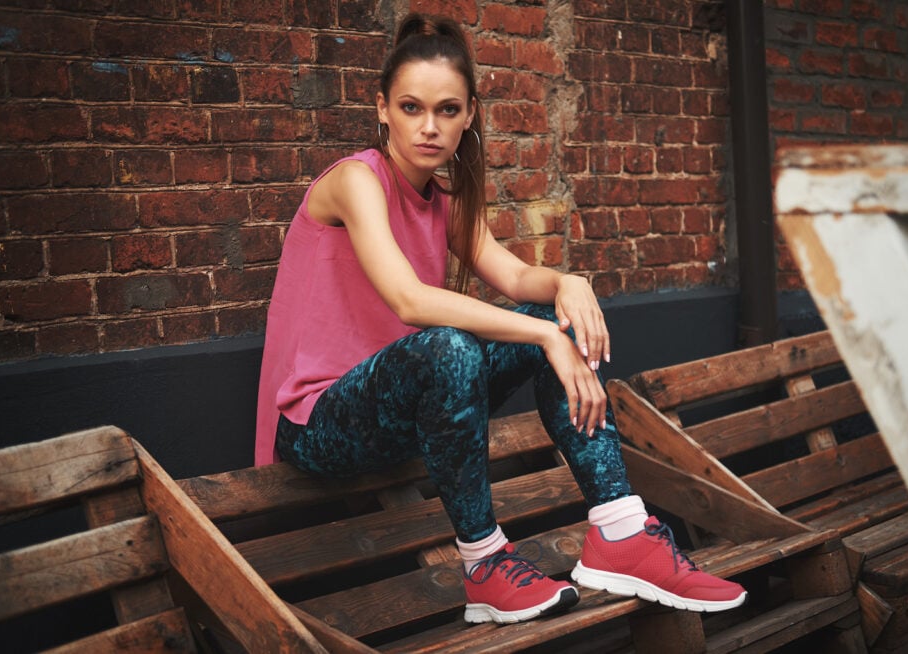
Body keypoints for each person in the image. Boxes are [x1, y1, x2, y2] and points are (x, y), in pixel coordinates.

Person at [255, 12, 746, 625]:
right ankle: (484, 565)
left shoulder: (448, 201)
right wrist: (543, 334)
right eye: (411, 108)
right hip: (317, 421)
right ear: (382, 109)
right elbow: (409, 300)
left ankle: (620, 531)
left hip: (402, 408)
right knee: (457, 345)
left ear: (469, 116)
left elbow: (515, 278)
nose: (429, 127)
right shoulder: (356, 181)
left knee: (551, 318)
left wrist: (569, 285)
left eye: (447, 110)